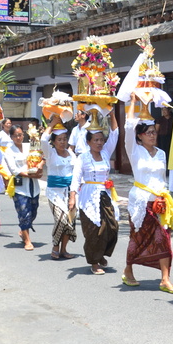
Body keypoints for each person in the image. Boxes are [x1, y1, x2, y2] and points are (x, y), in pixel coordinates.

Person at [121, 102, 173, 291]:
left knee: (164, 238)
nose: (153, 135)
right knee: (138, 238)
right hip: (140, 201)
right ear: (140, 135)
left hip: (160, 201)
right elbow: (128, 127)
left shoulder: (161, 154)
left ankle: (165, 279)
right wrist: (132, 100)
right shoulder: (134, 150)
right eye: (149, 132)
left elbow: (162, 178)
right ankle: (128, 269)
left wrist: (164, 197)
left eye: (154, 132)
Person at [68, 111, 121, 274]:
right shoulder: (82, 158)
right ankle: (94, 262)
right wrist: (72, 197)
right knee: (93, 230)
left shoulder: (105, 152)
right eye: (96, 140)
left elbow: (115, 134)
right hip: (88, 196)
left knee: (111, 226)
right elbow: (76, 179)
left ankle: (102, 252)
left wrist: (112, 114)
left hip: (105, 194)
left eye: (101, 140)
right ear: (89, 142)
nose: (99, 143)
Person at [41, 116, 77, 260]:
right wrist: (53, 124)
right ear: (54, 142)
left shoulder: (71, 154)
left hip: (70, 192)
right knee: (61, 219)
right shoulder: (50, 153)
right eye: (59, 139)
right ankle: (55, 245)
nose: (62, 142)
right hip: (54, 192)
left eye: (64, 139)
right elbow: (43, 139)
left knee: (70, 221)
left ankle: (63, 249)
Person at [4, 125, 43, 251]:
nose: (19, 137)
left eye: (20, 135)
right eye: (15, 135)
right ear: (11, 137)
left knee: (33, 210)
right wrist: (29, 175)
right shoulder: (9, 151)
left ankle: (23, 230)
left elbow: (39, 156)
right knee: (23, 212)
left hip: (33, 184)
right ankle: (27, 240)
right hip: (20, 185)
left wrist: (39, 168)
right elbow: (14, 170)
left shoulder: (29, 146)